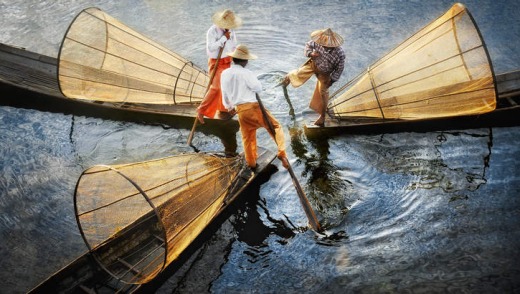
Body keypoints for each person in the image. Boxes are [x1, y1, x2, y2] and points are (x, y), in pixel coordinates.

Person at [220, 44, 289, 170]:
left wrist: (229, 107)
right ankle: (282, 153)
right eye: (246, 60)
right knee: (275, 126)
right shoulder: (246, 73)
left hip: (240, 111)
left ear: (233, 59)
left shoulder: (224, 74)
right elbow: (258, 88)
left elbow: (224, 95)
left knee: (248, 138)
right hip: (254, 108)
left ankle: (251, 163)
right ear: (244, 60)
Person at [282, 28, 345, 127]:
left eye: (327, 45)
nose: (324, 45)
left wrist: (332, 80)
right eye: (323, 43)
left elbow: (339, 69)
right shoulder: (318, 42)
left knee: (323, 93)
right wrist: (311, 53)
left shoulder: (340, 53)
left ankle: (322, 117)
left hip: (325, 73)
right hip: (314, 64)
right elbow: (308, 45)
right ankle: (287, 78)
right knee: (298, 74)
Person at [196, 9, 241, 124]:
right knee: (216, 87)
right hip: (216, 62)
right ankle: (201, 110)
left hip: (227, 60)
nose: (228, 27)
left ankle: (225, 108)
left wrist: (237, 54)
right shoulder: (212, 31)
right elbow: (211, 48)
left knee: (226, 86)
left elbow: (233, 46)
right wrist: (224, 38)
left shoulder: (231, 31)